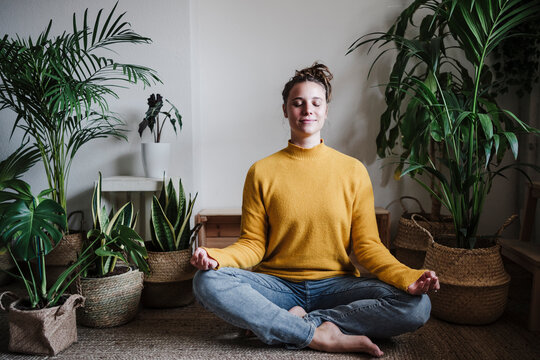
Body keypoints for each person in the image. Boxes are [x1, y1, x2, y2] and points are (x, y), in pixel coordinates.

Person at [191, 62, 439, 357]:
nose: (307, 109)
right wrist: (215, 257)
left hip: (337, 288)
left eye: (315, 102)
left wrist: (407, 276)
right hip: (277, 286)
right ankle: (320, 337)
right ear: (285, 110)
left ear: (325, 110)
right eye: (298, 103)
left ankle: (302, 324)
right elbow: (252, 245)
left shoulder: (353, 171)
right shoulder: (261, 172)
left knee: (418, 306)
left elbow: (368, 247)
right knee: (206, 281)